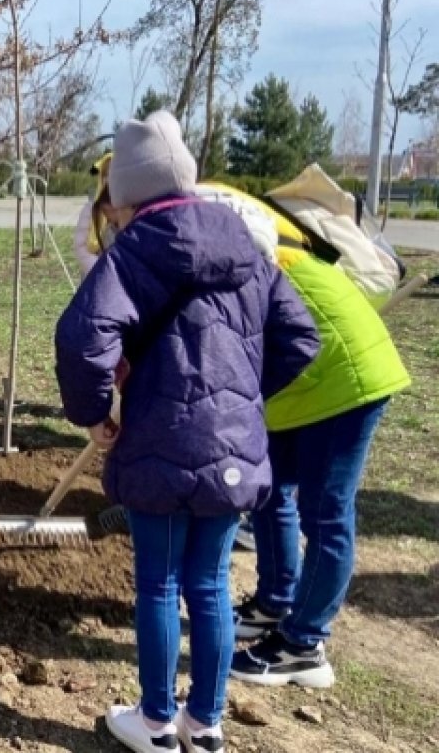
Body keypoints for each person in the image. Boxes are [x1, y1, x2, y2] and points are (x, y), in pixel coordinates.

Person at [54, 111, 320, 753]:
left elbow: (81, 338)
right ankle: (206, 726)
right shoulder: (247, 245)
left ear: (127, 193)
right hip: (233, 453)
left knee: (160, 584)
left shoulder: (134, 251)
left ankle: (154, 725)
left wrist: (96, 415)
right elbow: (301, 337)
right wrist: (242, 403)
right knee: (211, 584)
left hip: (161, 444)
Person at [228, 202, 410, 689]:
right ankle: (274, 602)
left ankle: (303, 645)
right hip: (303, 385)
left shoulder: (247, 262)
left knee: (326, 513)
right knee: (267, 489)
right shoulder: (239, 248)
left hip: (344, 382)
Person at [72, 152, 121, 278]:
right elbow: (80, 246)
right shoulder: (91, 209)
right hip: (95, 276)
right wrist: (101, 270)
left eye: (115, 174)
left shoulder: (131, 209)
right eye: (106, 174)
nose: (109, 179)